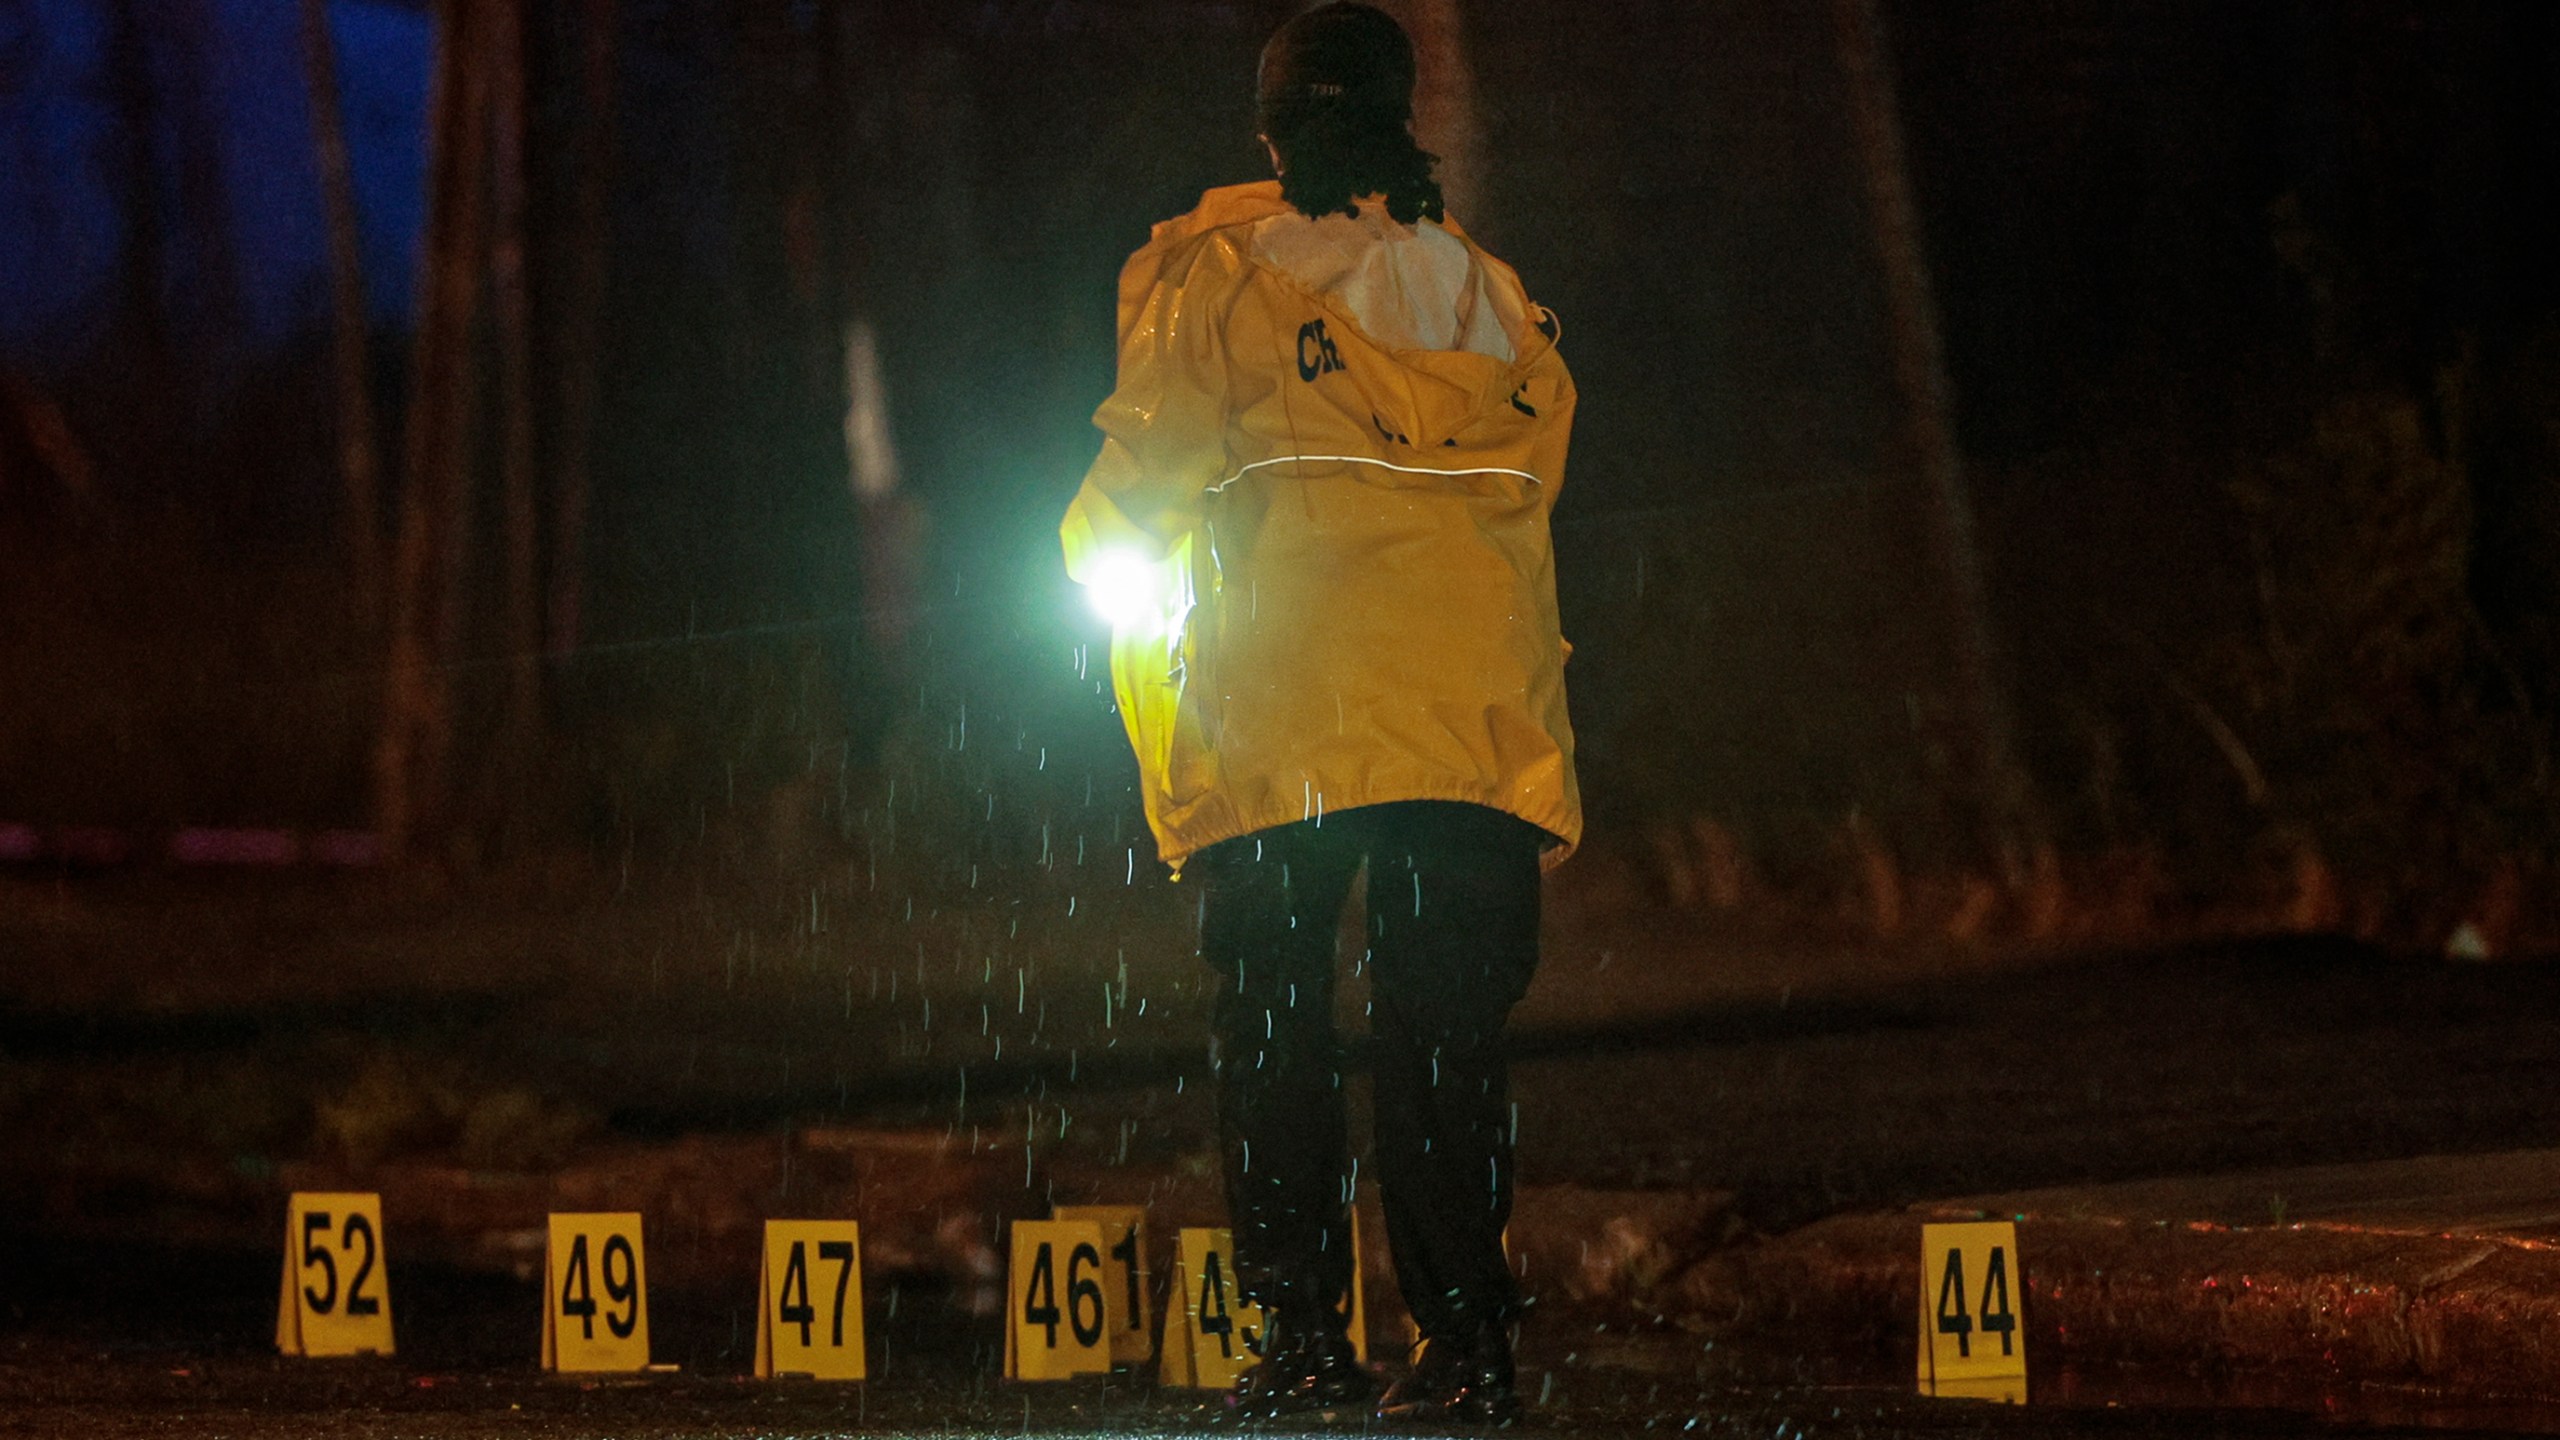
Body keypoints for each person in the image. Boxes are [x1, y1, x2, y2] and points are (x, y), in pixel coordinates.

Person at [1060, 2, 1578, 1423]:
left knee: (1279, 1030)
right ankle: (1466, 1350)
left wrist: (1081, 563)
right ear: (1402, 119)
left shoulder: (1216, 274)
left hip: (1287, 707)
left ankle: (1299, 1344)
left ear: (1272, 127)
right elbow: (1534, 485)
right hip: (1472, 711)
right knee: (1443, 1046)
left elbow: (1144, 473)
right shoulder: (1487, 290)